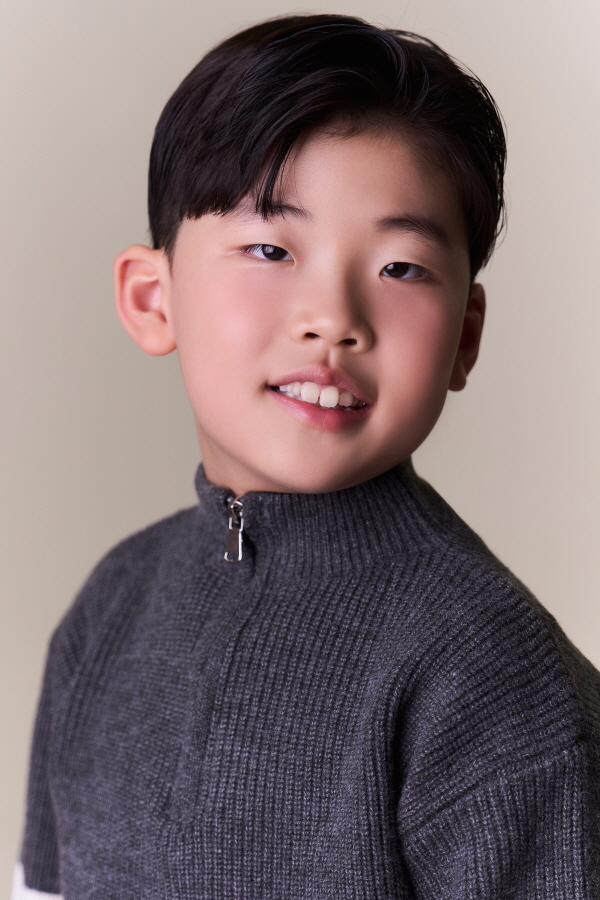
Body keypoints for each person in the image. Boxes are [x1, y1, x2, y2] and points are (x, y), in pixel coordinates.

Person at [14, 14, 600, 899]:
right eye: (270, 249)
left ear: (465, 338)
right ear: (151, 299)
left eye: (401, 268)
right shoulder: (114, 605)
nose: (333, 318)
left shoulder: (484, 671)